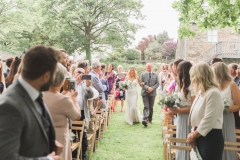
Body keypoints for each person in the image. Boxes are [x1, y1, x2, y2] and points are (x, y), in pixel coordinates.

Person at [0, 45, 63, 159]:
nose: (54, 79)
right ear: (46, 76)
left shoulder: (34, 93)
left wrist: (48, 144)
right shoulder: (9, 106)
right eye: (54, 74)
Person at [43, 63, 81, 160]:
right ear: (62, 80)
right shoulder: (63, 100)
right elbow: (76, 116)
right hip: (59, 137)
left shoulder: (40, 95)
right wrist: (73, 99)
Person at [187, 62, 224, 160]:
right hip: (199, 135)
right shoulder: (201, 92)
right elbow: (195, 114)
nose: (191, 79)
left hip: (211, 137)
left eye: (192, 76)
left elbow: (208, 120)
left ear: (199, 76)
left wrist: (193, 135)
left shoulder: (213, 93)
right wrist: (193, 131)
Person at [167, 61, 195, 160]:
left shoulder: (191, 85)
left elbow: (194, 107)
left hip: (189, 118)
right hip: (181, 117)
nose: (176, 71)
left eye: (178, 69)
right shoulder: (182, 84)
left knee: (186, 141)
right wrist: (172, 108)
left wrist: (178, 111)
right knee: (180, 139)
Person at [212, 62, 240, 160]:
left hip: (227, 118)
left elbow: (238, 105)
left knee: (227, 141)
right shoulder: (213, 85)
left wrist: (225, 109)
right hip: (214, 119)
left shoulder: (232, 84)